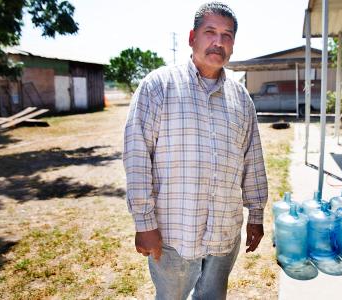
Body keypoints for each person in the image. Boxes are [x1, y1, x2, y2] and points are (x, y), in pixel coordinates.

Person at [123, 2, 268, 299]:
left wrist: (256, 214)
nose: (218, 42)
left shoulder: (241, 99)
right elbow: (138, 156)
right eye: (210, 32)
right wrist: (144, 222)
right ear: (192, 38)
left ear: (233, 44)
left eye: (227, 35)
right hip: (174, 234)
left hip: (224, 232)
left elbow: (252, 159)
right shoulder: (158, 87)